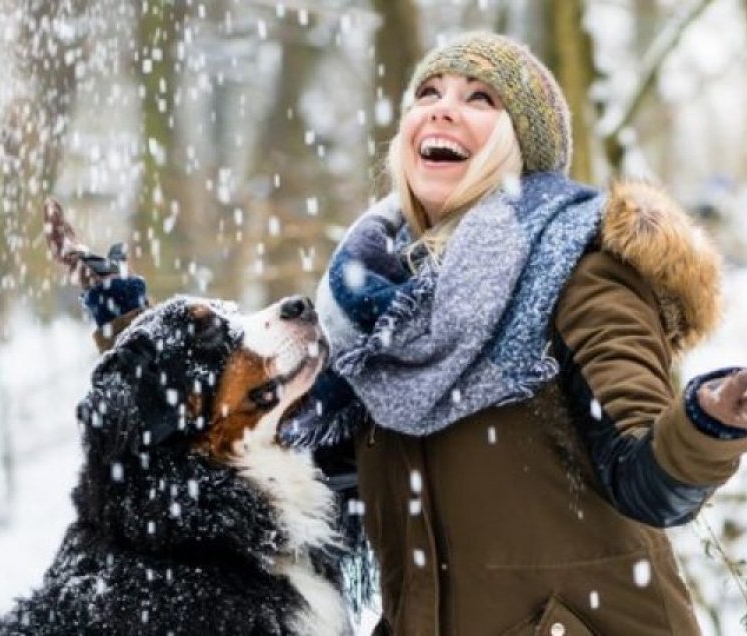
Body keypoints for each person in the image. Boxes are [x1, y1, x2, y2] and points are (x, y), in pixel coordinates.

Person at [48, 32, 747, 636]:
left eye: (482, 98)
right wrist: (132, 331)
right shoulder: (378, 310)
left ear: (521, 146)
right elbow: (276, 446)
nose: (445, 105)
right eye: (430, 92)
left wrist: (708, 422)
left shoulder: (579, 272)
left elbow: (648, 481)